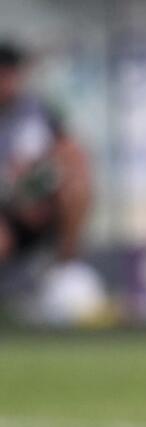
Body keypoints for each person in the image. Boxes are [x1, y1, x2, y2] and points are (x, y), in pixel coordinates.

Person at [0, 40, 92, 269]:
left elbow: (73, 152)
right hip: (6, 208)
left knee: (77, 186)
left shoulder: (38, 108)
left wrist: (34, 188)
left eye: (10, 75)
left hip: (36, 198)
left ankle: (66, 266)